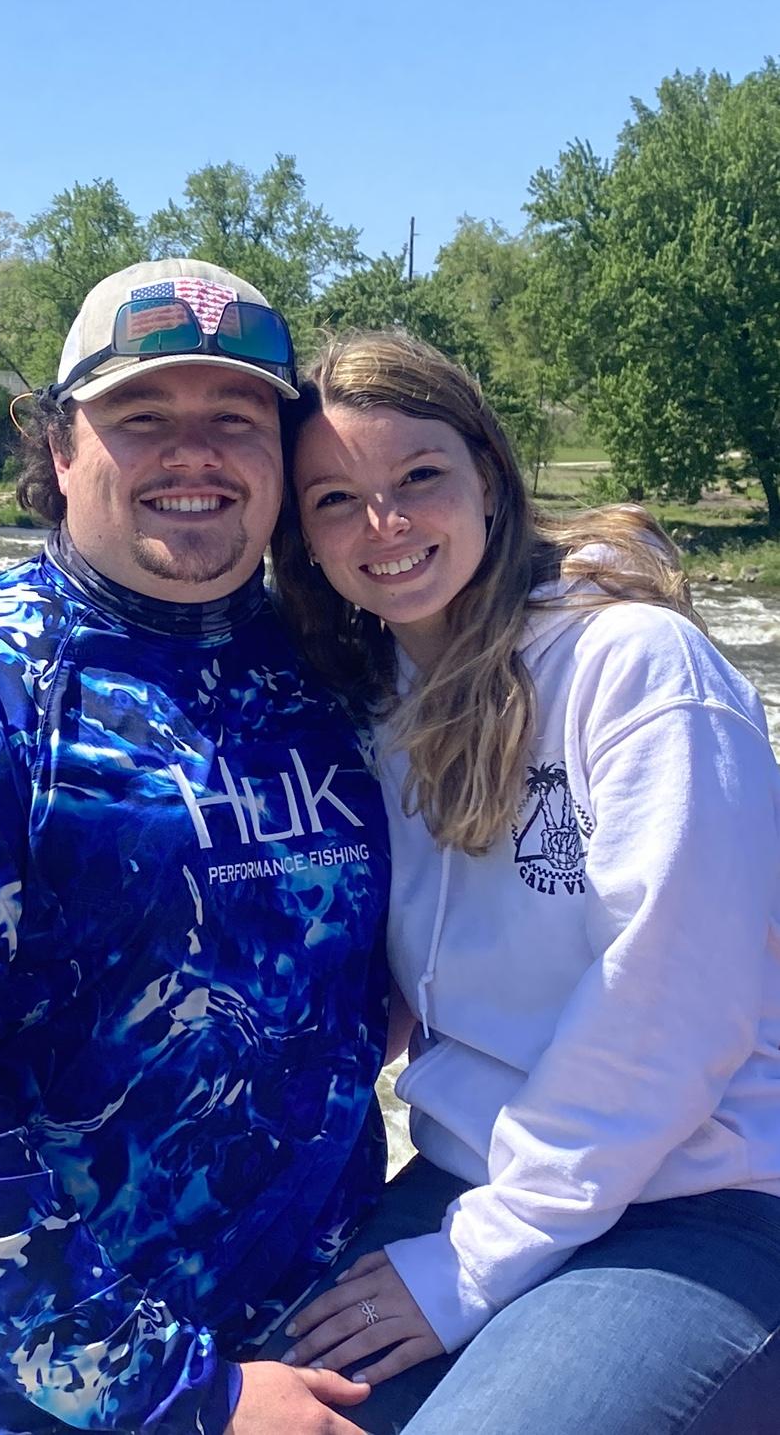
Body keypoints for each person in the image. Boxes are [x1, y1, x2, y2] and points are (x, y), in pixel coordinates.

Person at [0, 261, 394, 1434]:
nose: (195, 454)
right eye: (143, 418)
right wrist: (192, 1400)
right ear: (62, 445)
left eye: (236, 419)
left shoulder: (333, 667)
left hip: (301, 1350)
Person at [267, 330, 780, 1433]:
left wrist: (474, 1263)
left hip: (698, 1197)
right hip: (471, 1178)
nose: (386, 526)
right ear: (301, 540)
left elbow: (681, 1000)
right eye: (336, 501)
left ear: (490, 481)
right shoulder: (363, 710)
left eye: (418, 479)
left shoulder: (635, 666)